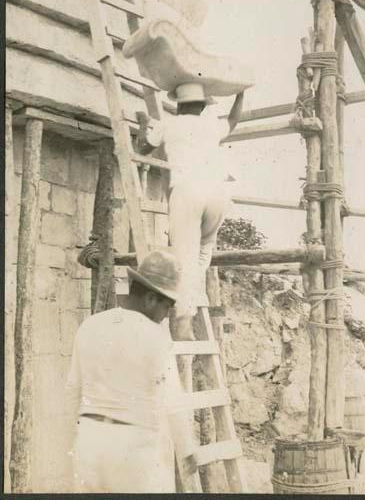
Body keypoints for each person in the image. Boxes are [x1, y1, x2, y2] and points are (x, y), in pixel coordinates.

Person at [66, 249, 198, 493]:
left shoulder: (90, 325)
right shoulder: (156, 336)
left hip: (88, 444)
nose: (166, 314)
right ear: (150, 298)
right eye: (167, 306)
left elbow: (73, 390)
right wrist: (188, 451)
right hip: (133, 453)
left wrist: (76, 441)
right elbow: (173, 403)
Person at [137, 82, 244, 340]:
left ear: (178, 104)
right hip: (218, 194)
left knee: (185, 257)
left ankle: (184, 322)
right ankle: (190, 309)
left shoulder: (168, 124)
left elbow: (141, 148)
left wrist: (142, 124)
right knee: (203, 253)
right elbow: (233, 119)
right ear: (202, 105)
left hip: (188, 192)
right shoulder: (211, 125)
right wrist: (240, 92)